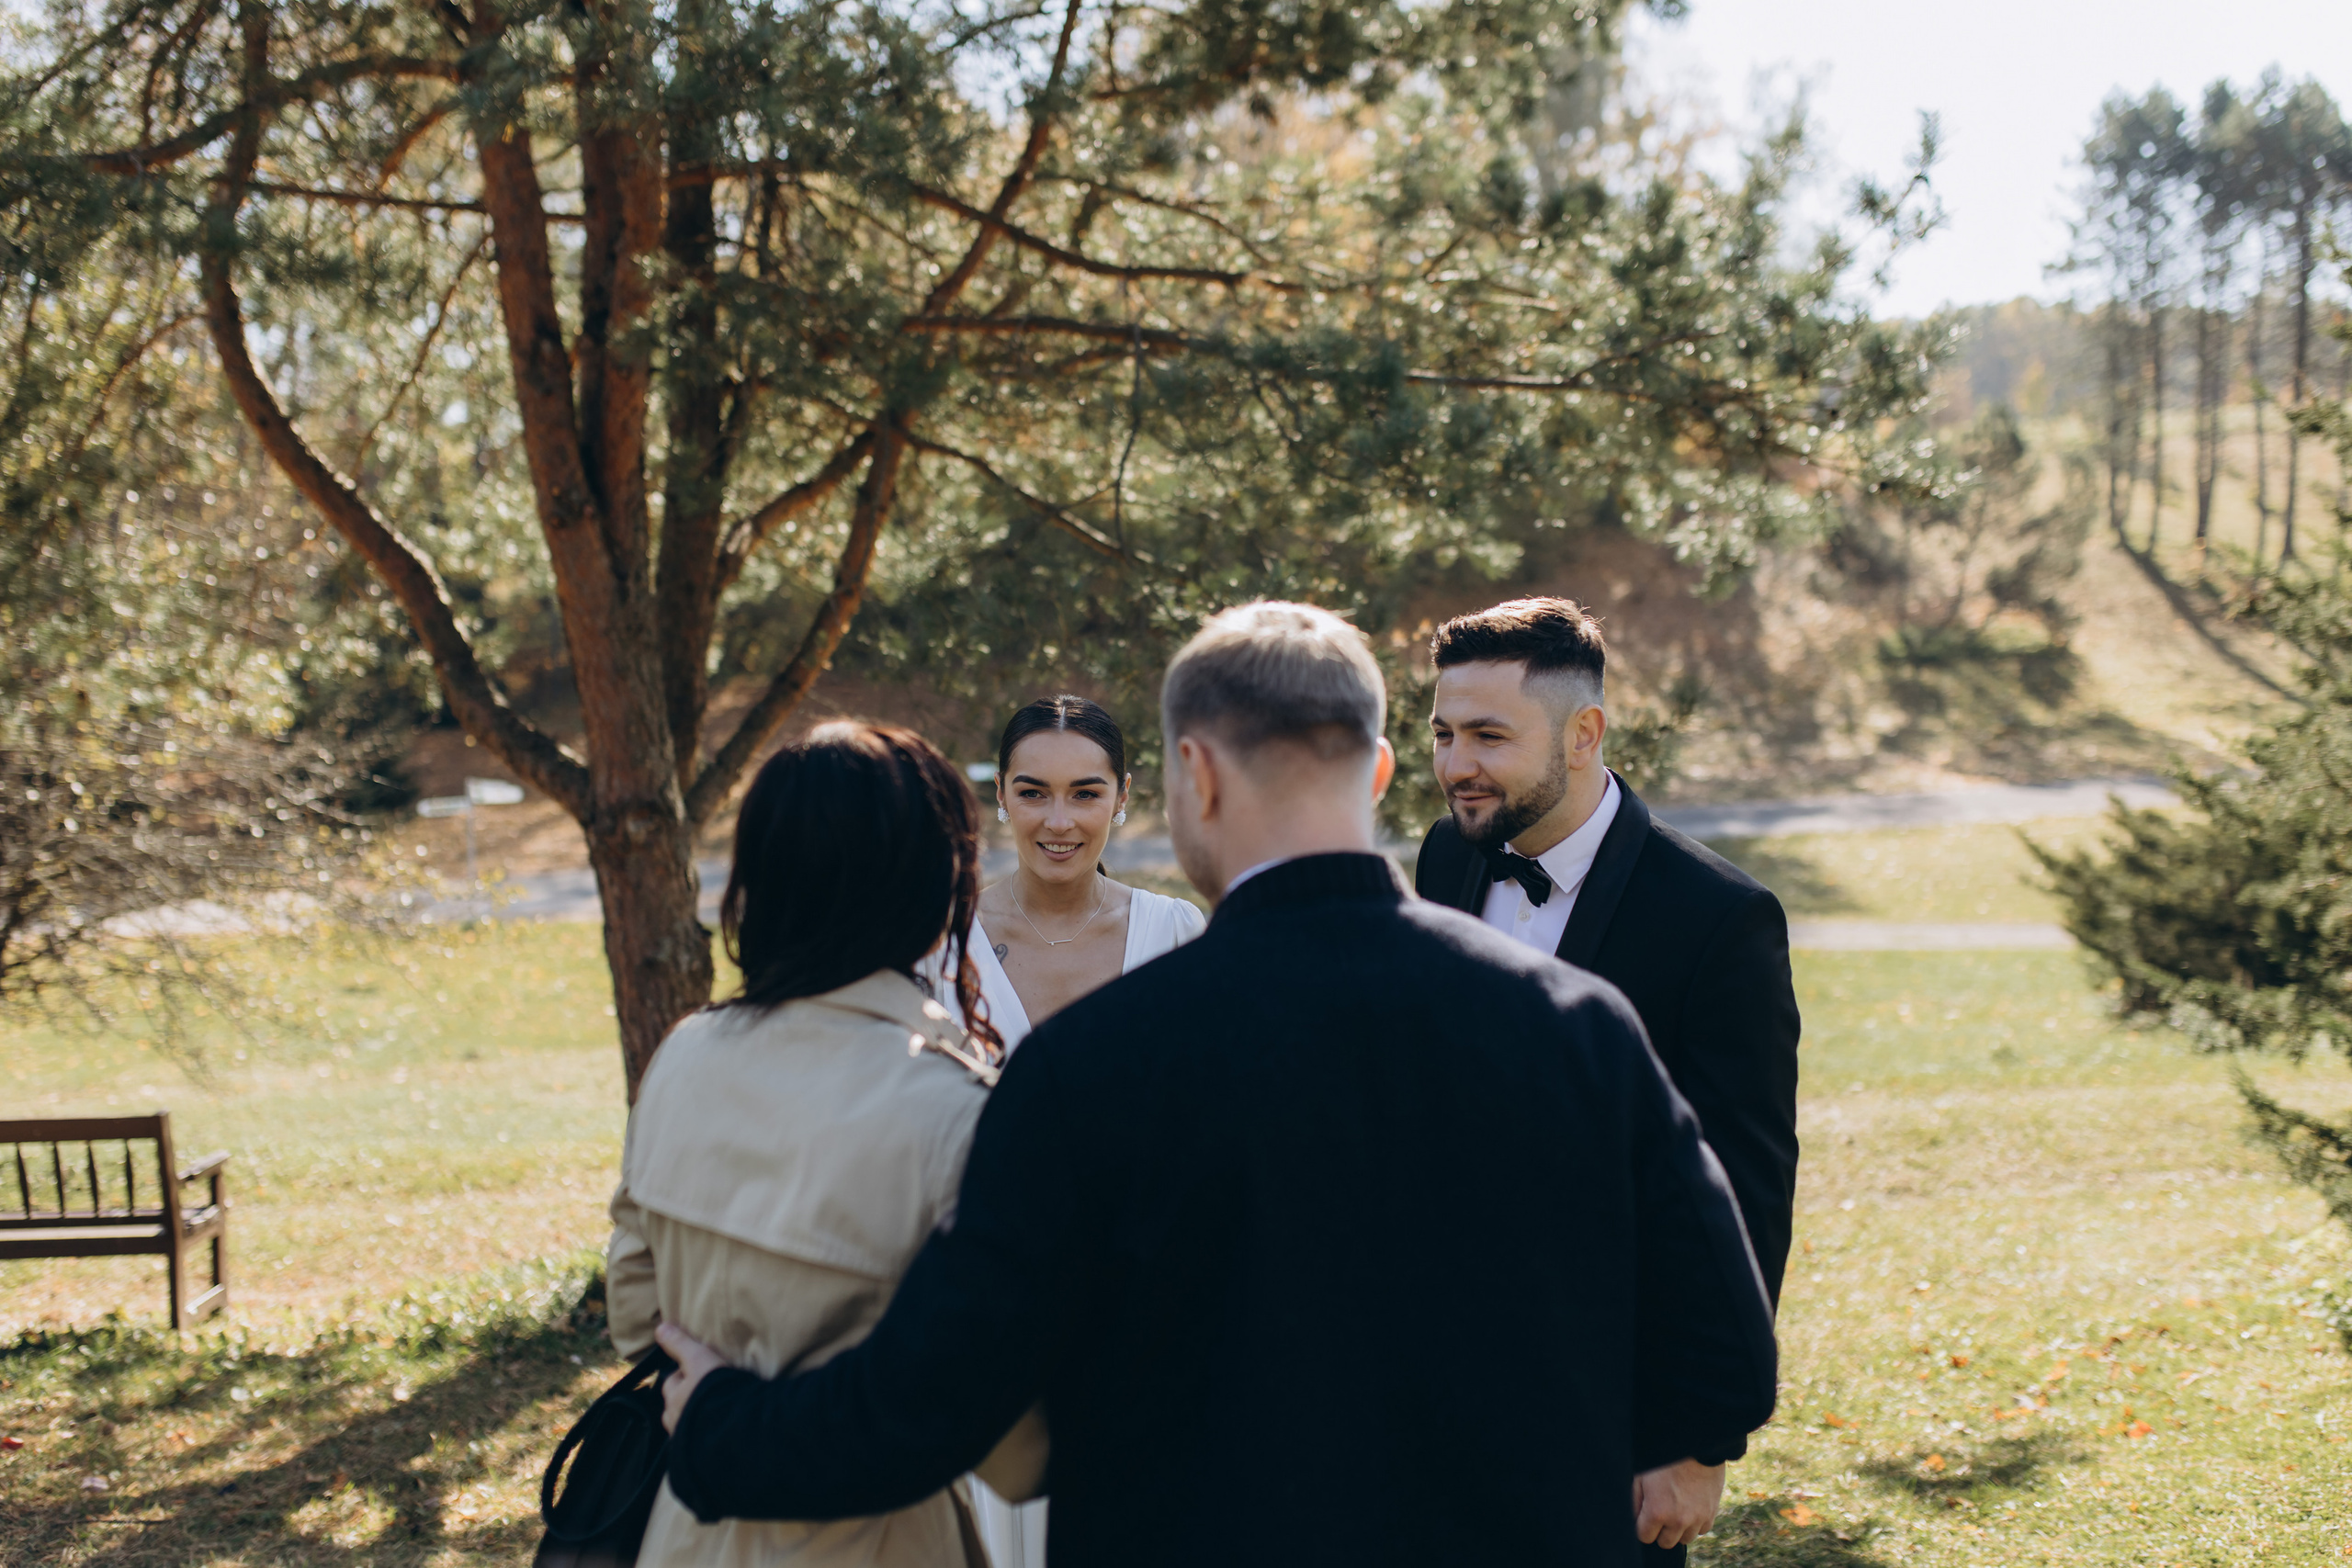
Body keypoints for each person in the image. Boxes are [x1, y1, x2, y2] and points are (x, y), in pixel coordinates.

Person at [653, 602, 1779, 1567]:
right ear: (1383, 769)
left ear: (1192, 771)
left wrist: (719, 1423)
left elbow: (935, 1401)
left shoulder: (1091, 1068)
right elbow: (1725, 1362)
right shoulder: (1580, 1028)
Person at [1409, 596, 1802, 1566]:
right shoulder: (1442, 858)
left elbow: (1746, 1197)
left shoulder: (1718, 920)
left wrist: (1698, 1439)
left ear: (1583, 734)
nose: (1457, 764)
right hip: (1434, 1393)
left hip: (1612, 1412)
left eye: (1489, 736)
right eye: (1443, 734)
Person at [603, 720, 1037, 1568]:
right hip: (884, 1538)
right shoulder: (958, 1109)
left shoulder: (685, 1051)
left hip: (691, 1529)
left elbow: (633, 1313)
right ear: (933, 879)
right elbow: (1016, 1445)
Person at [951, 694, 1206, 1568]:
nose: (1059, 820)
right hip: (984, 1314)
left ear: (1123, 797)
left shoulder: (1179, 935)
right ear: (1002, 799)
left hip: (1143, 1322)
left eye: (1085, 792)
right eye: (1034, 792)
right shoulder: (941, 949)